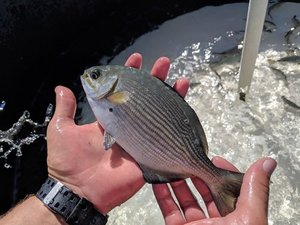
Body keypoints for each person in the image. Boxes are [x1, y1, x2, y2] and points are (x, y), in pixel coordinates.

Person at [0, 53, 276, 225]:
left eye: (95, 76)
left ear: (111, 85)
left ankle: (219, 180)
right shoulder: (112, 94)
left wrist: (62, 196)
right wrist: (70, 187)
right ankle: (220, 180)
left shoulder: (114, 91)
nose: (88, 77)